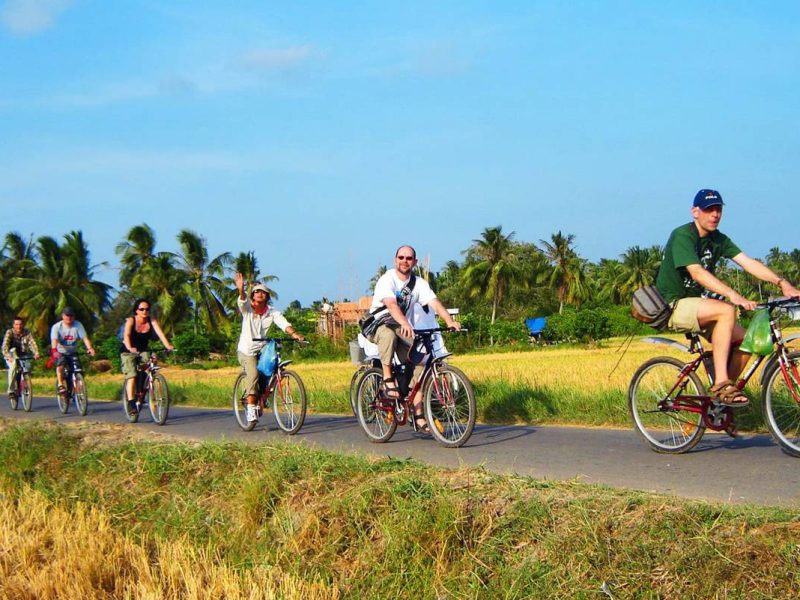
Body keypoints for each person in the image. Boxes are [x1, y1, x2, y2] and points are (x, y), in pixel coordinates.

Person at [655, 189, 800, 406]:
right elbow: (697, 272)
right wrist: (733, 295)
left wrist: (782, 283)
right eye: (708, 209)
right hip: (673, 304)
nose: (715, 214)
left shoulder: (718, 240)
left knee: (748, 341)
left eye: (718, 209)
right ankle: (721, 382)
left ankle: (721, 399)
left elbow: (748, 263)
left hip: (698, 306)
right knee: (726, 310)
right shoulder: (683, 235)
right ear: (695, 212)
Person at [366, 245, 460, 431]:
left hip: (403, 328)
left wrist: (450, 321)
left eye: (409, 258)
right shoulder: (387, 279)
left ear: (415, 262)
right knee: (388, 334)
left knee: (420, 361)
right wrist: (405, 323)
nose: (404, 261)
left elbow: (434, 303)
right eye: (401, 257)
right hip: (378, 325)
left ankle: (418, 414)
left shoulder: (419, 284)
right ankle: (386, 378)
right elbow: (391, 305)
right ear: (395, 260)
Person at [234, 272, 305, 423]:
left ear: (267, 296)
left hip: (262, 348)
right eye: (257, 292)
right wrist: (240, 289)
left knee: (271, 368)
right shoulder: (248, 309)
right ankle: (251, 407)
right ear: (253, 295)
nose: (260, 294)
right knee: (252, 374)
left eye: (263, 292)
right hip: (247, 350)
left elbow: (284, 324)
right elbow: (242, 300)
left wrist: (295, 335)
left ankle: (264, 394)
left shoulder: (272, 312)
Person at [120, 299, 174, 414]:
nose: (145, 311)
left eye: (147, 309)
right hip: (128, 350)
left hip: (143, 350)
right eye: (141, 309)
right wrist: (130, 348)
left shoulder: (151, 321)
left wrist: (168, 345)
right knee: (131, 375)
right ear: (136, 310)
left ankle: (142, 389)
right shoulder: (131, 321)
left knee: (149, 365)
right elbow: (127, 335)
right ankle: (131, 403)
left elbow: (160, 334)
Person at [50, 307, 96, 397]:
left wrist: (90, 348)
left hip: (73, 351)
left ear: (74, 317)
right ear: (63, 316)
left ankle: (77, 390)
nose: (69, 318)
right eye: (67, 315)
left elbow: (84, 338)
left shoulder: (77, 325)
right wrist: (54, 351)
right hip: (60, 351)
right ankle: (60, 384)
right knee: (61, 364)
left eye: (71, 316)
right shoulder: (57, 327)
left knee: (78, 369)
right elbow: (54, 340)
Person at [2, 316, 40, 402]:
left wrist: (36, 352)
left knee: (28, 366)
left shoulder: (27, 332)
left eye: (20, 324)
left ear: (23, 325)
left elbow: (32, 343)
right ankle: (11, 390)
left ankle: (25, 383)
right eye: (16, 324)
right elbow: (4, 347)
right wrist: (9, 357)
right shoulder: (9, 333)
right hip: (11, 354)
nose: (18, 326)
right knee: (13, 367)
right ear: (13, 325)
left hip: (23, 355)